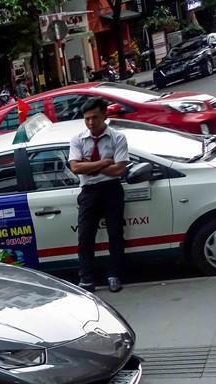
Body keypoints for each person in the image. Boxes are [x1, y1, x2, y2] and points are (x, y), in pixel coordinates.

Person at [68, 97, 129, 293]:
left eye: (94, 117)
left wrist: (89, 165)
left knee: (115, 234)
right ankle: (86, 278)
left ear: (105, 115)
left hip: (111, 189)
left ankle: (114, 275)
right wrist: (104, 163)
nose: (90, 122)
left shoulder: (118, 138)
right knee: (85, 236)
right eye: (86, 119)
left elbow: (119, 170)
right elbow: (76, 167)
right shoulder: (77, 139)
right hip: (89, 191)